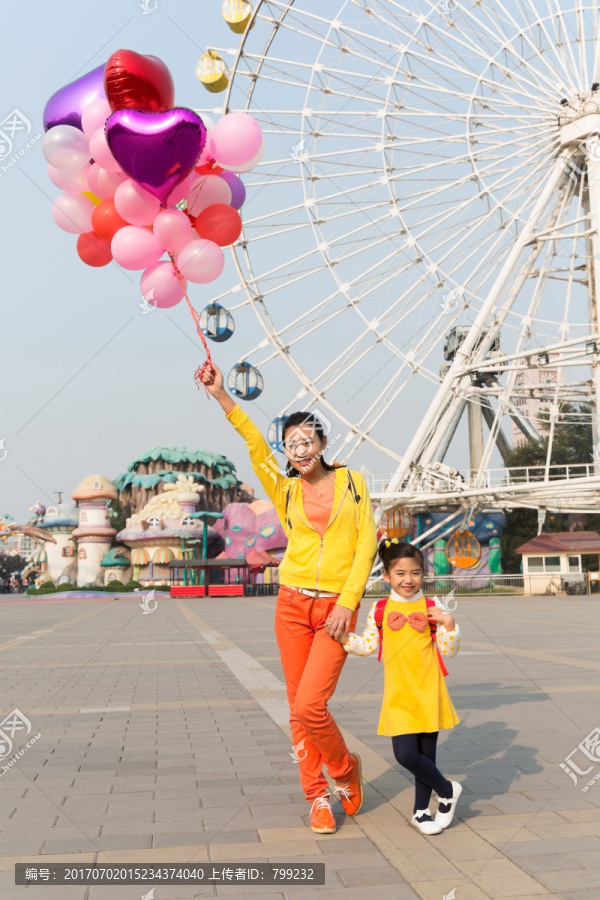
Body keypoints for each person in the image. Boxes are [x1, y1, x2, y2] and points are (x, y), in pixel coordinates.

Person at [201, 364, 377, 834]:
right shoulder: (283, 489)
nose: (298, 451)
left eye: (306, 441)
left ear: (321, 444)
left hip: (336, 609)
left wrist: (348, 601)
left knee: (310, 707)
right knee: (296, 706)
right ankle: (317, 796)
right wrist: (222, 397)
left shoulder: (355, 484)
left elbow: (366, 545)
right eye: (290, 444)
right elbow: (254, 446)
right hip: (293, 604)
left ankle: (342, 770)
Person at [335, 538, 462, 834]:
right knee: (405, 755)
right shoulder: (379, 609)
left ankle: (421, 812)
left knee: (426, 757)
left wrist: (449, 622)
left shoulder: (433, 606)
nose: (409, 580)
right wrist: (343, 639)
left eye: (415, 573)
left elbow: (450, 650)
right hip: (399, 694)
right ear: (387, 576)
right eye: (401, 573)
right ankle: (447, 790)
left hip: (429, 691)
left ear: (423, 574)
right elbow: (368, 645)